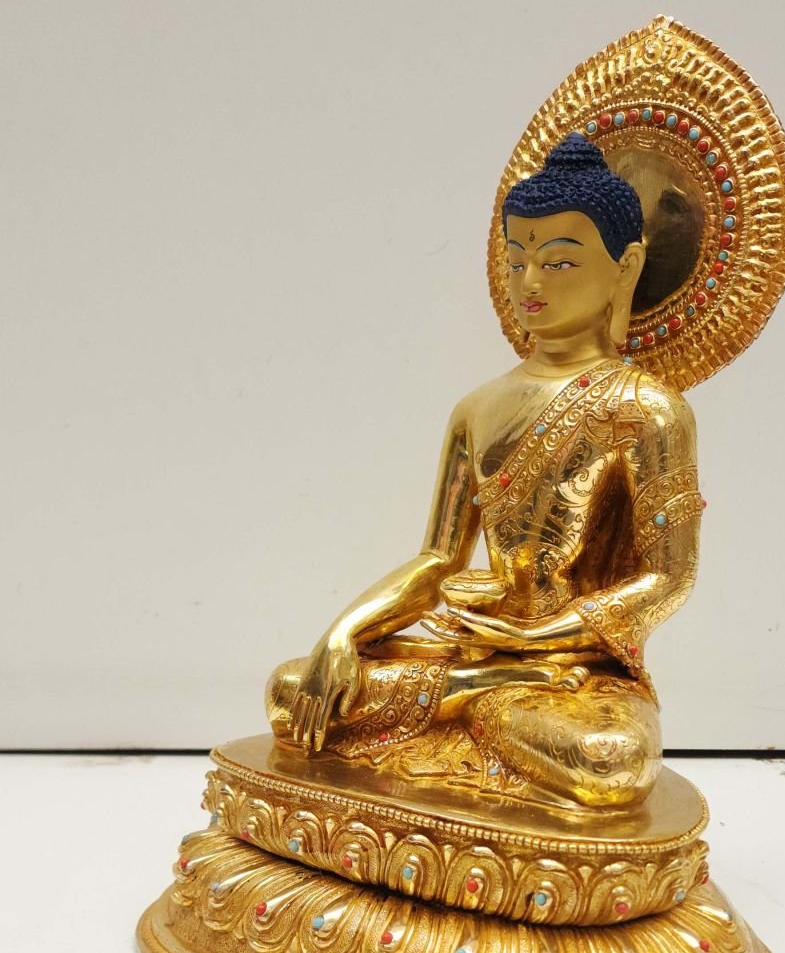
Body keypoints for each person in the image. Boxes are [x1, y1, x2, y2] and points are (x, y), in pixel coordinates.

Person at [267, 135, 702, 808]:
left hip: (576, 676)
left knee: (608, 760)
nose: (530, 283)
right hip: (471, 652)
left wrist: (541, 636)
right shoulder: (476, 409)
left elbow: (668, 576)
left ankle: (471, 704)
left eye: (558, 261)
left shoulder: (648, 410)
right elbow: (438, 559)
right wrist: (345, 632)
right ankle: (477, 695)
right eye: (516, 259)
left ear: (627, 267)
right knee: (293, 690)